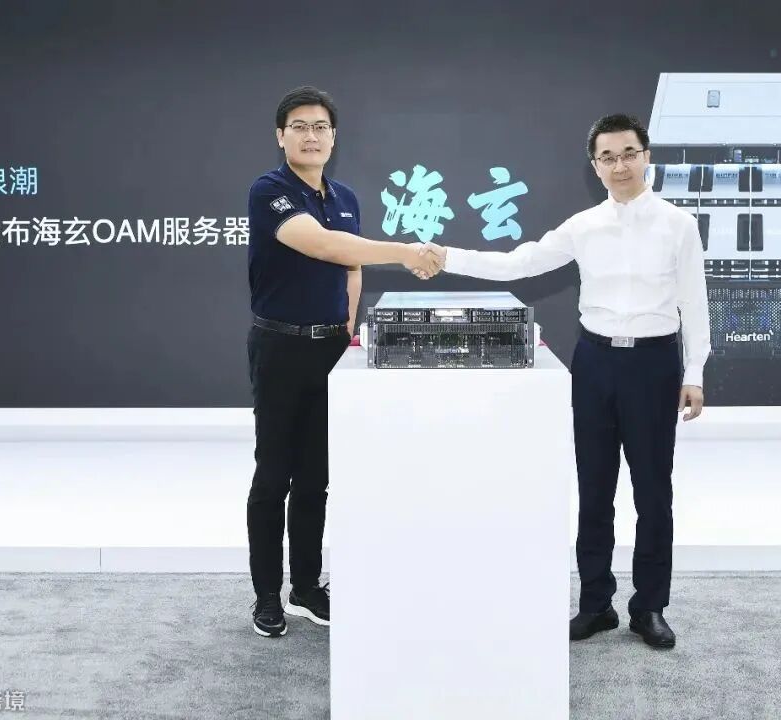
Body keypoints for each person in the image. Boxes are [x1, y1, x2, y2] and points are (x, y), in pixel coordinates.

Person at [422, 114, 710, 649]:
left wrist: (694, 372)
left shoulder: (679, 224)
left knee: (653, 493)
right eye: (608, 157)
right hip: (595, 363)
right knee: (594, 489)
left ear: (646, 156)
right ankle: (596, 605)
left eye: (629, 154)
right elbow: (519, 263)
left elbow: (694, 303)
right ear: (595, 166)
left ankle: (649, 607)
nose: (620, 166)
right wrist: (448, 257)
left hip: (654, 365)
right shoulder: (584, 226)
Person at [247, 86, 440, 638]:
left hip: (331, 350)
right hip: (280, 347)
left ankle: (306, 587)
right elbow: (326, 246)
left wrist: (348, 325)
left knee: (316, 477)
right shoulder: (269, 190)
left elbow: (351, 266)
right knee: (274, 476)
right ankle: (267, 596)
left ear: (334, 137)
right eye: (300, 126)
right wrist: (406, 252)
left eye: (321, 127)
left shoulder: (346, 196)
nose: (311, 136)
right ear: (281, 135)